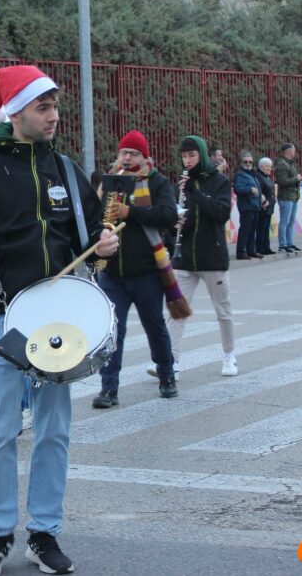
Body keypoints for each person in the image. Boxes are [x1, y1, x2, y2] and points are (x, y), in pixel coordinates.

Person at [0, 65, 119, 576]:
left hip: (59, 321)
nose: (54, 116)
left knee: (54, 430)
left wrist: (104, 246)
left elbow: (89, 237)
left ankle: (44, 534)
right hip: (4, 317)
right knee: (1, 430)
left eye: (55, 107)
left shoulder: (66, 170)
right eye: (43, 107)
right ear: (15, 112)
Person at [93, 130, 180, 409]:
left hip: (147, 273)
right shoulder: (109, 182)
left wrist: (131, 213)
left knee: (154, 326)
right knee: (112, 331)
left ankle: (166, 375)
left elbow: (168, 215)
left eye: (133, 153)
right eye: (124, 152)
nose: (127, 157)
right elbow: (94, 217)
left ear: (144, 157)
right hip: (112, 274)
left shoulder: (156, 181)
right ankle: (108, 388)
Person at [153, 135, 236, 378]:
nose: (187, 160)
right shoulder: (181, 184)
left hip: (213, 257)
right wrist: (175, 221)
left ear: (201, 154)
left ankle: (229, 355)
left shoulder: (219, 181)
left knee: (223, 312)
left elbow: (220, 213)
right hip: (185, 257)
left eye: (192, 155)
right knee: (176, 310)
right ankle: (171, 361)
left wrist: (195, 192)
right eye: (184, 156)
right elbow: (172, 219)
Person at [233, 151, 263, 261]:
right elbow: (237, 189)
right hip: (247, 206)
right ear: (240, 163)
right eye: (245, 162)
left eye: (250, 162)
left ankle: (251, 251)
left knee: (252, 230)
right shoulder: (240, 174)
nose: (248, 163)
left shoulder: (251, 173)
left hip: (254, 205)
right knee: (245, 230)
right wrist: (250, 189)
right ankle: (241, 252)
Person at [274, 143, 302, 253]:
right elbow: (282, 181)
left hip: (293, 196)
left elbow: (291, 179)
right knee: (284, 222)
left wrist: (297, 180)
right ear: (289, 152)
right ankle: (282, 245)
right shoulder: (282, 164)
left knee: (291, 222)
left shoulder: (290, 163)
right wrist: (296, 179)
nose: (295, 152)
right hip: (286, 197)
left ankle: (290, 243)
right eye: (294, 150)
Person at [254, 157, 277, 255]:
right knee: (261, 229)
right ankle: (260, 248)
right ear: (261, 166)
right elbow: (259, 191)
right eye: (267, 166)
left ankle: (266, 247)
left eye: (270, 166)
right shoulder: (259, 176)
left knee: (266, 229)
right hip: (263, 207)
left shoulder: (266, 176)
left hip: (269, 207)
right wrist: (264, 201)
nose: (269, 168)